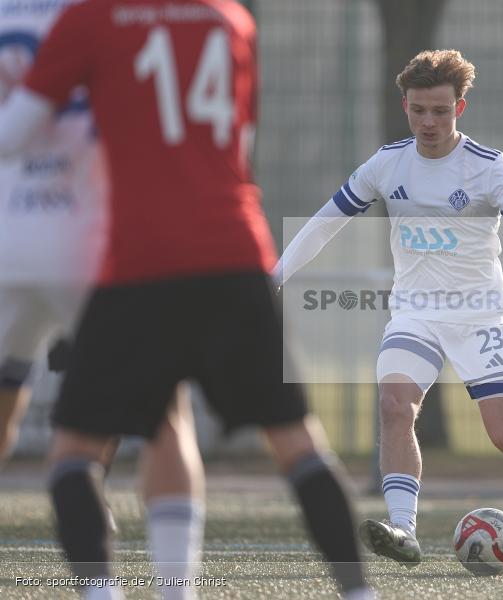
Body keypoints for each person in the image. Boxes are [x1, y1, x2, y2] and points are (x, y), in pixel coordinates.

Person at [0, 1, 371, 599]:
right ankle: (360, 593)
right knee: (300, 445)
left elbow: (14, 132)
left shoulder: (94, 17)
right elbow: (238, 138)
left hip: (140, 265)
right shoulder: (232, 19)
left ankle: (104, 594)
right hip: (235, 254)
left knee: (72, 454)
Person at [276, 49, 503, 567]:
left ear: (459, 108)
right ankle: (403, 529)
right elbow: (329, 219)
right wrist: (277, 275)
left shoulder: (486, 166)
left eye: (440, 110)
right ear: (405, 107)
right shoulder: (388, 163)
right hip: (414, 314)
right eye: (419, 110)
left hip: (479, 316)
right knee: (395, 406)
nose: (429, 122)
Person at [0, 3, 206, 600]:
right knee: (166, 412)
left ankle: (99, 585)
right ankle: (173, 590)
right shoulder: (118, 14)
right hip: (88, 241)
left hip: (7, 237)